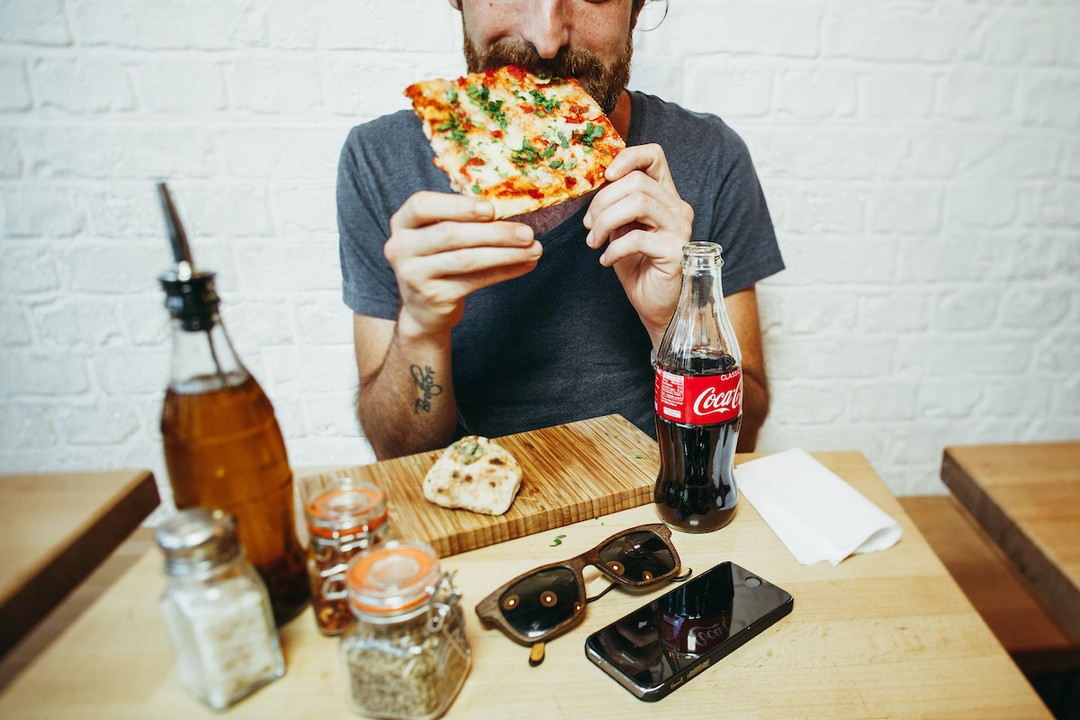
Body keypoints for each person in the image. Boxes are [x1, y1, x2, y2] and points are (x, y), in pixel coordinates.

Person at [338, 0, 784, 460]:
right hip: (471, 511)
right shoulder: (378, 160)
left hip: (651, 509)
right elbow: (394, 453)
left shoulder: (711, 155)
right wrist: (421, 331)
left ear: (637, 6)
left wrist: (674, 322)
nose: (547, 38)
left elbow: (742, 442)